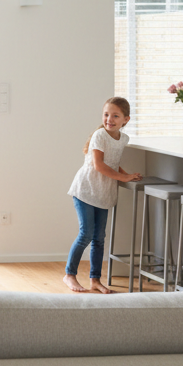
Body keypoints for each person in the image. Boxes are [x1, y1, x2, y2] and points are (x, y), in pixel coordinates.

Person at [64, 96, 141, 294]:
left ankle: (95, 280)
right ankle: (69, 275)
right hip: (86, 189)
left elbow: (112, 162)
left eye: (115, 116)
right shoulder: (100, 135)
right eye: (106, 114)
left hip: (104, 192)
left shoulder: (123, 139)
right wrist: (123, 178)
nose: (109, 119)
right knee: (86, 234)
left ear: (126, 119)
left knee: (99, 238)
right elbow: (98, 165)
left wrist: (127, 175)